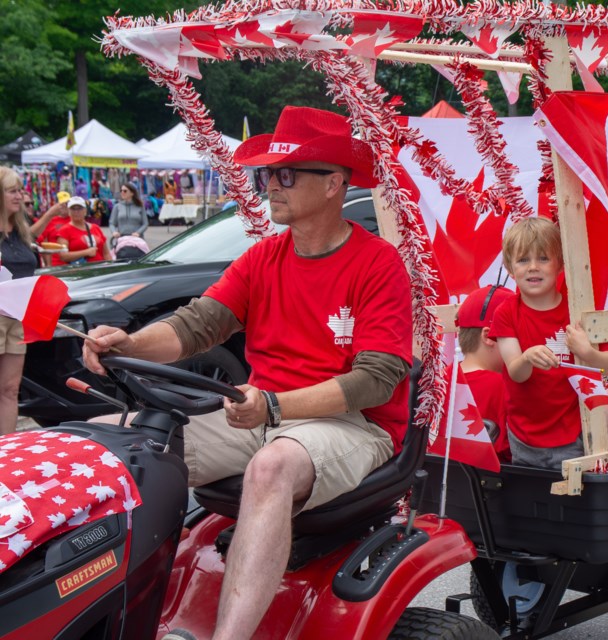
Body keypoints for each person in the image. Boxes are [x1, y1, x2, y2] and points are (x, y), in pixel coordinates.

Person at [82, 106, 413, 640]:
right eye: (265, 175)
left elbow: (377, 379)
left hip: (350, 424)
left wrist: (277, 406)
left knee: (270, 467)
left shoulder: (377, 264)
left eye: (285, 174)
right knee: (122, 441)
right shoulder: (262, 259)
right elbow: (196, 326)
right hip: (260, 414)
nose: (270, 187)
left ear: (333, 184)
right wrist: (131, 342)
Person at [490, 217, 608, 469]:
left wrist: (586, 351)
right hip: (529, 445)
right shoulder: (506, 311)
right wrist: (527, 357)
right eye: (523, 260)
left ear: (560, 265)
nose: (533, 267)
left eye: (543, 258)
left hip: (578, 435)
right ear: (511, 269)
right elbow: (516, 372)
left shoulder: (579, 309)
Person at [0, 166, 65, 434]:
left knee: (10, 388)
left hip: (18, 315)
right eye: (13, 191)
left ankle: (5, 451)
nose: (20, 196)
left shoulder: (20, 229)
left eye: (20, 190)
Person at [456, 284, 513, 461]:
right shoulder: (503, 387)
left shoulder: (440, 380)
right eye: (516, 337)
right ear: (488, 337)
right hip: (489, 485)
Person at [56, 196, 112, 265]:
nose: (76, 212)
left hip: (100, 268)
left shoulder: (95, 228)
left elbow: (106, 253)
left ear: (85, 211)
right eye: (73, 209)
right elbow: (63, 256)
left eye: (79, 208)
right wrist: (86, 252)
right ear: (69, 211)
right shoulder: (64, 231)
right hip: (80, 270)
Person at [108, 182, 149, 256]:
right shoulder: (117, 206)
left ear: (132, 193)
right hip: (121, 239)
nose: (122, 192)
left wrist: (138, 232)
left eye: (125, 191)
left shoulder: (140, 206)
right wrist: (114, 232)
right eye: (121, 190)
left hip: (137, 239)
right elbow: (112, 223)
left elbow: (145, 223)